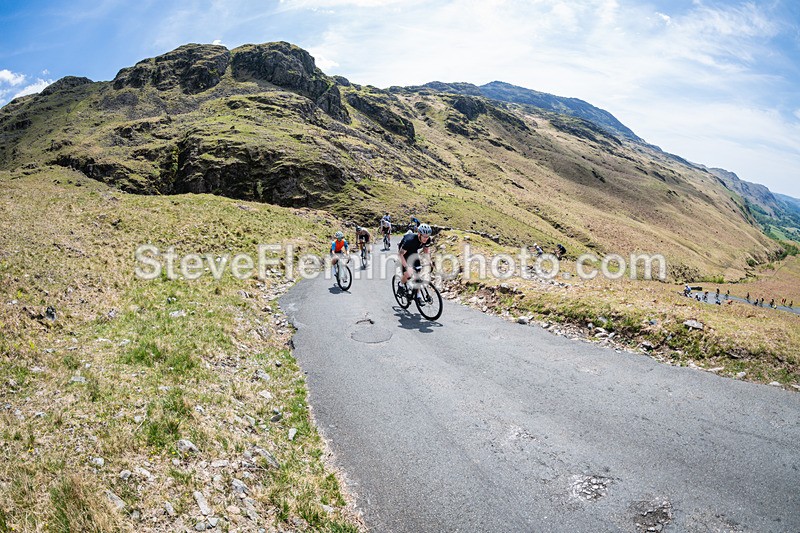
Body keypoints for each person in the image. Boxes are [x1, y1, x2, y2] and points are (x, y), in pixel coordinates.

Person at [398, 223, 433, 296]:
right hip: (404, 253)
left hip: (413, 252)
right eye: (424, 236)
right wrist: (407, 267)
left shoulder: (427, 240)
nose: (426, 239)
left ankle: (418, 294)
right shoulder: (409, 240)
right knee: (408, 274)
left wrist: (429, 262)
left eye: (427, 237)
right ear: (419, 234)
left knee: (418, 273)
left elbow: (426, 250)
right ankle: (401, 285)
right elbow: (400, 254)